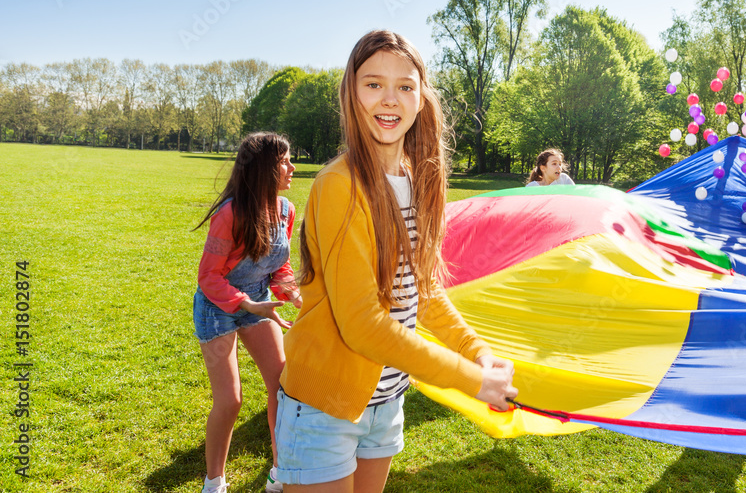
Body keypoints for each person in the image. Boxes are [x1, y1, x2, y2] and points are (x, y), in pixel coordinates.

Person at [275, 30, 517, 492]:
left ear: (421, 98)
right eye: (373, 84)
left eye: (405, 86)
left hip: (387, 403)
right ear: (351, 93)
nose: (390, 99)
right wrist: (470, 380)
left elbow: (423, 290)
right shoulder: (338, 186)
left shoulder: (418, 180)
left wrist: (479, 354)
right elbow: (362, 323)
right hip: (326, 404)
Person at [193, 132, 302, 493]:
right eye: (284, 161)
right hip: (217, 308)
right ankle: (214, 483)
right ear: (263, 169)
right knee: (231, 399)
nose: (292, 167)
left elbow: (278, 268)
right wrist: (247, 304)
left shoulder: (286, 210)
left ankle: (279, 471)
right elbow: (209, 276)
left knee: (283, 386)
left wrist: (294, 293)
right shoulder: (230, 214)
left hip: (257, 301)